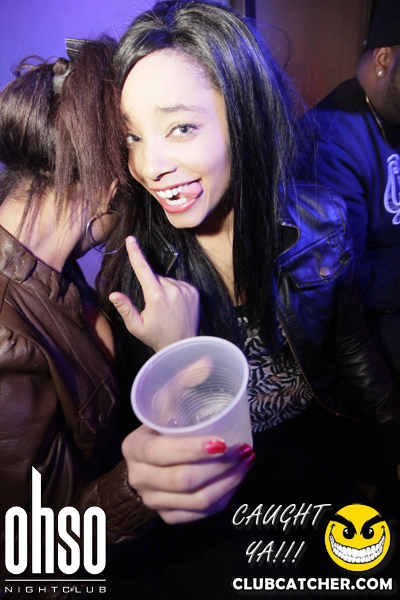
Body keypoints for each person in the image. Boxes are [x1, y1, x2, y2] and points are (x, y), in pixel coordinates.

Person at [99, 1, 400, 597]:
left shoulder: (320, 221)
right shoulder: (136, 273)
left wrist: (393, 443)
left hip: (317, 453)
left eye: (181, 127)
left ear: (245, 117)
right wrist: (177, 352)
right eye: (133, 136)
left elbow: (353, 348)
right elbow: (176, 463)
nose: (148, 166)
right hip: (221, 493)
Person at [0, 36, 204, 600]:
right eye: (133, 147)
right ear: (110, 182)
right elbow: (38, 555)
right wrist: (177, 364)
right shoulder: (6, 345)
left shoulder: (49, 264)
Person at [302, 0, 400, 391]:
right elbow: (344, 280)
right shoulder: (330, 140)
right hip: (369, 317)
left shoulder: (393, 110)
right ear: (384, 59)